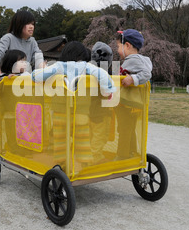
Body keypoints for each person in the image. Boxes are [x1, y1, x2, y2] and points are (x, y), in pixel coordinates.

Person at [32, 41, 116, 167]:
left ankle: (60, 164)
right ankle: (85, 162)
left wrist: (34, 76)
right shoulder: (86, 66)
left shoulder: (59, 66)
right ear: (82, 55)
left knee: (60, 138)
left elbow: (37, 76)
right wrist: (107, 91)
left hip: (60, 110)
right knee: (82, 138)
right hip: (80, 110)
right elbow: (102, 75)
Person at [0, 10, 44, 158]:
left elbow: (38, 57)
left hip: (20, 85)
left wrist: (43, 73)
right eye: (28, 24)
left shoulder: (32, 42)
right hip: (0, 84)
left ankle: (16, 150)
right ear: (19, 24)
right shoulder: (9, 38)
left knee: (20, 116)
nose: (31, 27)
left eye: (33, 24)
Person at [115, 29, 152, 159]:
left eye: (118, 46)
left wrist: (133, 79)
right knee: (128, 129)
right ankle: (131, 152)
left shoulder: (134, 59)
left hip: (128, 104)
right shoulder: (133, 59)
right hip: (129, 103)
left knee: (124, 130)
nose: (117, 50)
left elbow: (147, 74)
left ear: (127, 45)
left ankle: (122, 155)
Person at [89, 41, 114, 164]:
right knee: (100, 136)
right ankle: (95, 158)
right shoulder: (103, 75)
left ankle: (91, 155)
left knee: (94, 135)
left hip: (91, 111)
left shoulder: (88, 71)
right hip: (99, 112)